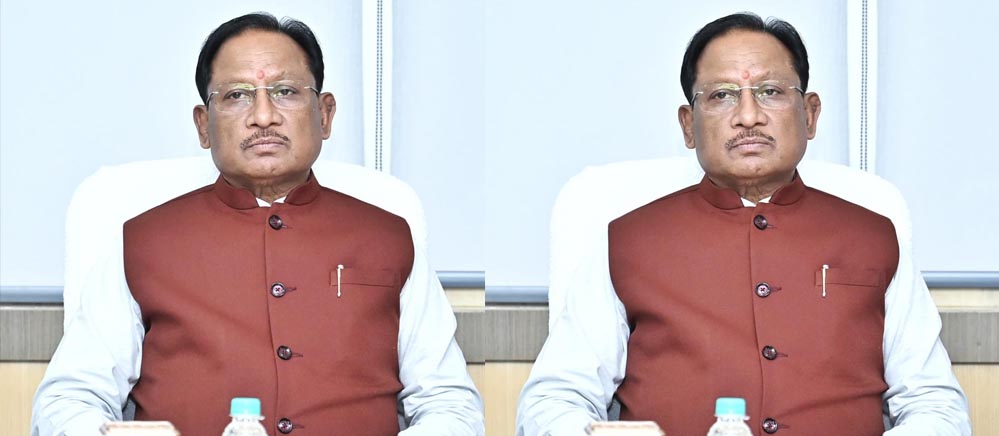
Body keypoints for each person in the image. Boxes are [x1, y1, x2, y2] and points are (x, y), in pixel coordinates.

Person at [517, 12, 971, 436]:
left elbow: (934, 404)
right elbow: (554, 400)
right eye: (722, 95)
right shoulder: (627, 241)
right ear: (688, 125)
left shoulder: (873, 236)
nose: (748, 116)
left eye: (770, 91)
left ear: (809, 114)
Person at [32, 13, 484, 436]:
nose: (263, 116)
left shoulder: (388, 236)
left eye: (285, 91)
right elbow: (68, 401)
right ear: (203, 125)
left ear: (324, 114)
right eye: (237, 95)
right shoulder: (142, 242)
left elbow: (450, 404)